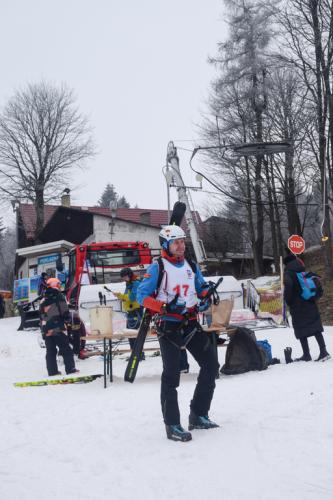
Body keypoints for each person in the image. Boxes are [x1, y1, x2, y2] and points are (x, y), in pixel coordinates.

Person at [137, 225, 219, 442]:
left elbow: (199, 288)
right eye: (176, 242)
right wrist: (163, 308)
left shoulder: (191, 265)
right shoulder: (158, 267)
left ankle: (198, 414)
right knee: (171, 375)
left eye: (183, 241)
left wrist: (206, 293)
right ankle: (172, 423)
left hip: (190, 323)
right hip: (169, 326)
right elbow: (141, 296)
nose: (181, 245)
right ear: (166, 245)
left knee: (211, 365)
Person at [284, 254, 330, 362]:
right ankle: (323, 351)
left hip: (297, 306)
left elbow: (289, 287)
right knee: (316, 328)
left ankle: (306, 354)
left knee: (301, 330)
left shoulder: (288, 273)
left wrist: (288, 300)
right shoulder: (301, 269)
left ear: (286, 263)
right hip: (309, 302)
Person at [39, 277, 78, 376]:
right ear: (55, 285)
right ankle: (70, 369)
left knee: (50, 351)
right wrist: (68, 320)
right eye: (58, 284)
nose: (60, 287)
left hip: (47, 329)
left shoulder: (43, 299)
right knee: (66, 349)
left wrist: (43, 330)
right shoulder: (58, 296)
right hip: (58, 328)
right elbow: (64, 310)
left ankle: (52, 372)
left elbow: (41, 316)